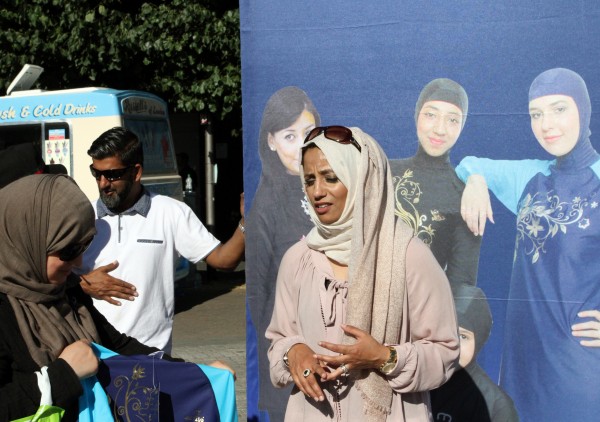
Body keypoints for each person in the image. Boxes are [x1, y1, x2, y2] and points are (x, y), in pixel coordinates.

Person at [0, 174, 233, 421]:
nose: (78, 262)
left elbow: (118, 346)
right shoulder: (5, 308)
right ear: (25, 240)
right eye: (68, 250)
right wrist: (63, 375)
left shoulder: (65, 291)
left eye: (84, 247)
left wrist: (197, 374)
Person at [266, 126, 459, 421]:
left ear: (362, 180)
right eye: (309, 180)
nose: (317, 191)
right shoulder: (298, 259)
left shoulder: (409, 256)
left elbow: (445, 352)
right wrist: (293, 352)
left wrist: (384, 357)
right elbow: (280, 338)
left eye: (331, 178)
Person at [456, 68, 600, 421]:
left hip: (579, 368)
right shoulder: (530, 177)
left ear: (583, 109)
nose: (547, 124)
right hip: (522, 364)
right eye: (536, 114)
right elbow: (468, 163)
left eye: (559, 109)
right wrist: (475, 180)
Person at [75, 127, 245, 353]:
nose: (103, 183)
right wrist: (83, 285)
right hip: (93, 356)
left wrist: (247, 223)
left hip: (150, 361)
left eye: (113, 174)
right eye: (96, 173)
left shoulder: (171, 213)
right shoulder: (81, 218)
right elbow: (48, 281)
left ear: (136, 172)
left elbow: (224, 260)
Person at [246, 86, 320, 421]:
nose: (302, 144)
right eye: (290, 136)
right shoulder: (266, 204)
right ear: (271, 141)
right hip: (293, 352)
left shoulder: (325, 184)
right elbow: (259, 297)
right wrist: (283, 358)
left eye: (308, 132)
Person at [390, 78, 481, 287]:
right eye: (431, 115)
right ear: (417, 115)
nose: (440, 129)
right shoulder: (383, 171)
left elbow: (462, 284)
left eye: (452, 120)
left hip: (424, 312)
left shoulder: (464, 194)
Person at [430, 283, 518, 422]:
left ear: (479, 342)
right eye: (448, 331)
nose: (453, 343)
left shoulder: (496, 406)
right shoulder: (415, 380)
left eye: (463, 336)